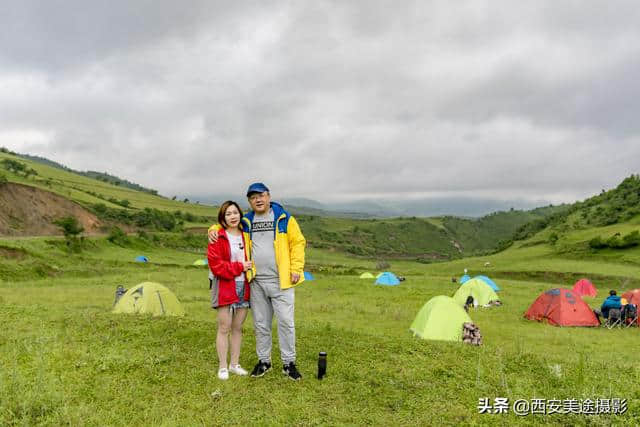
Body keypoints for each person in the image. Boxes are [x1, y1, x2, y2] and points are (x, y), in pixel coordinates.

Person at [209, 183, 306, 380]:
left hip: (282, 281)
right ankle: (264, 361)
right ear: (250, 202)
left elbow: (298, 243)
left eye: (261, 195)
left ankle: (289, 363)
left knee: (286, 323)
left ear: (268, 196)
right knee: (261, 324)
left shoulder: (284, 218)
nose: (258, 200)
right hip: (256, 282)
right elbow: (226, 225)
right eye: (253, 198)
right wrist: (212, 228)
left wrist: (296, 268)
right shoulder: (247, 220)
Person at [208, 201, 255, 380]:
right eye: (228, 214)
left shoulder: (247, 236)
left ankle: (234, 364)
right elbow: (217, 266)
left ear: (240, 215)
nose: (233, 216)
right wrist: (240, 266)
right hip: (225, 286)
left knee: (237, 327)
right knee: (224, 327)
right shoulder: (217, 237)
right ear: (222, 218)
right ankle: (222, 367)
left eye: (235, 213)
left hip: (245, 285)